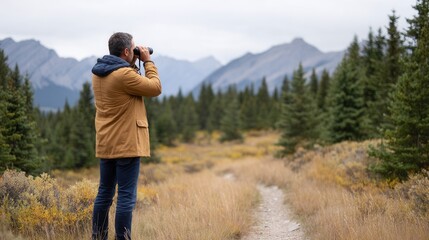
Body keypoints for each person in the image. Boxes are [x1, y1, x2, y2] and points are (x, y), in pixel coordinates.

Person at [91, 32, 161, 240]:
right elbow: (155, 88)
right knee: (126, 197)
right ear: (126, 51)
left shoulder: (99, 74)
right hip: (127, 143)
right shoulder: (124, 75)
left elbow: (125, 83)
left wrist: (132, 63)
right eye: (133, 48)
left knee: (104, 194)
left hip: (107, 143)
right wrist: (147, 61)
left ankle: (98, 237)